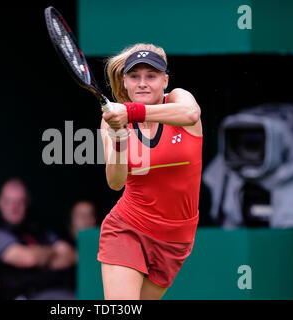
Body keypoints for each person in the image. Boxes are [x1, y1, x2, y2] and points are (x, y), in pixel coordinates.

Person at [97, 43, 203, 300]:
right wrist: (121, 140)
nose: (143, 83)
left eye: (151, 76)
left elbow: (191, 113)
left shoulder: (179, 100)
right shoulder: (110, 120)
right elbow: (115, 182)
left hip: (176, 240)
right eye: (135, 76)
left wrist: (130, 112)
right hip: (127, 227)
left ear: (165, 80)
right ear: (125, 81)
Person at [0, 178, 77, 300]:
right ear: (0, 203)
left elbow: (72, 256)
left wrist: (42, 257)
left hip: (63, 290)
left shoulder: (39, 228)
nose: (14, 207)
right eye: (9, 202)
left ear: (27, 203)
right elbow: (29, 259)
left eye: (20, 202)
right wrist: (53, 253)